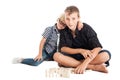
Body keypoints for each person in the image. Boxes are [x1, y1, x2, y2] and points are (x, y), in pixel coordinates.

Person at [53, 5, 111, 74]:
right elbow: (63, 48)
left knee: (105, 55)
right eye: (67, 19)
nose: (70, 22)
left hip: (90, 56)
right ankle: (93, 67)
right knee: (56, 56)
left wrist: (85, 63)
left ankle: (73, 64)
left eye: (73, 19)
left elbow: (97, 47)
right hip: (73, 56)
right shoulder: (64, 30)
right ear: (65, 19)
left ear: (78, 18)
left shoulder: (86, 28)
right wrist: (80, 50)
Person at [12, 13, 82, 66]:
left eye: (64, 25)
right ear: (57, 20)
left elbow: (73, 23)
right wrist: (40, 54)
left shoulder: (65, 31)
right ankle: (21, 60)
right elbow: (42, 41)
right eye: (60, 23)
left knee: (68, 62)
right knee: (36, 62)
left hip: (57, 53)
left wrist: (79, 22)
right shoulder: (49, 29)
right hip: (47, 51)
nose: (61, 25)